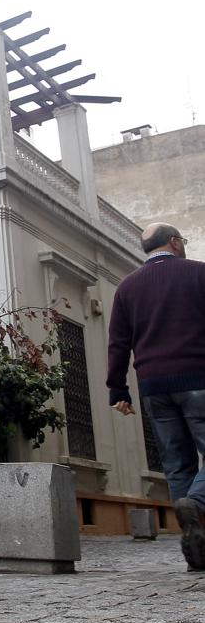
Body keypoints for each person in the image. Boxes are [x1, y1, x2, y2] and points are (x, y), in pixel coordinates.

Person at [108, 222, 205, 570]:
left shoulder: (127, 287)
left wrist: (118, 389)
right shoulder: (199, 274)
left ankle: (197, 539)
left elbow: (118, 342)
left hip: (153, 387)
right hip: (198, 379)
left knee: (177, 463)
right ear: (175, 242)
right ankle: (197, 503)